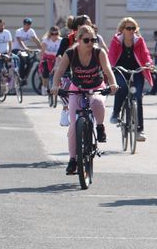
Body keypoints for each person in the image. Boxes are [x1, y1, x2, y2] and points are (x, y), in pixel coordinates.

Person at [50, 24, 118, 175]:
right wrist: (55, 86)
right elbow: (59, 71)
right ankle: (73, 160)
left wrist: (113, 84)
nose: (90, 43)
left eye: (93, 40)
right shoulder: (70, 53)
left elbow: (107, 69)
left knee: (98, 102)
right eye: (87, 40)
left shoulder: (99, 52)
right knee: (74, 125)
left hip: (96, 86)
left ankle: (100, 127)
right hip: (77, 89)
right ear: (78, 40)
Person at [108, 17, 154, 142]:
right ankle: (116, 113)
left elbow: (145, 54)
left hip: (137, 71)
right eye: (128, 28)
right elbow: (111, 55)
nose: (131, 31)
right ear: (122, 30)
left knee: (138, 97)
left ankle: (139, 130)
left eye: (133, 28)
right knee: (121, 87)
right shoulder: (116, 41)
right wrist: (110, 67)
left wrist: (149, 64)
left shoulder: (139, 41)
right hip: (120, 70)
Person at [13, 18, 42, 84]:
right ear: (24, 24)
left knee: (29, 63)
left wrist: (41, 48)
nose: (28, 26)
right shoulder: (19, 31)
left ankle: (24, 78)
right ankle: (20, 77)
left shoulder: (31, 31)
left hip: (24, 50)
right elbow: (20, 41)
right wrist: (25, 48)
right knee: (23, 61)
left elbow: (35, 39)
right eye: (26, 24)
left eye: (29, 24)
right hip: (16, 49)